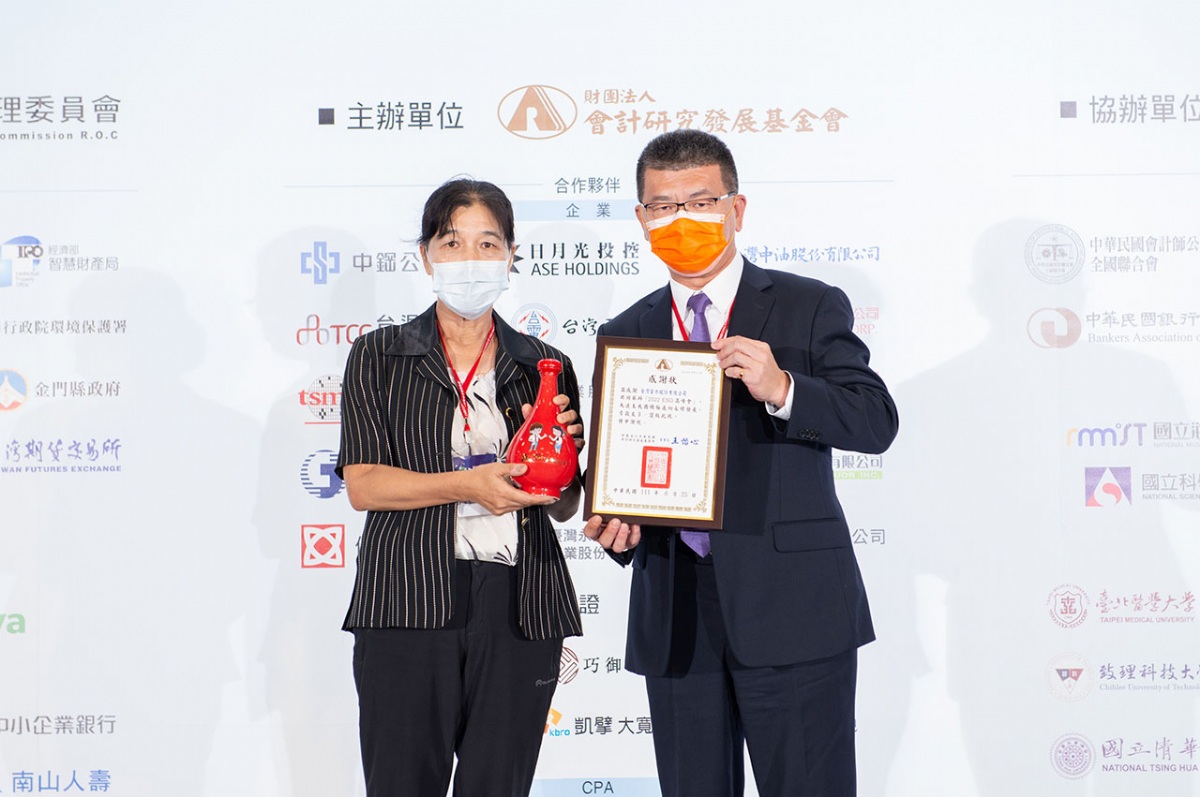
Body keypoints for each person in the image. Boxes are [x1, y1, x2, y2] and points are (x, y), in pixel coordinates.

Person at [583, 130, 899, 797]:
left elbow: (875, 420)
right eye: (664, 207)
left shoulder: (808, 303)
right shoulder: (626, 330)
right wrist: (618, 528)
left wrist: (783, 387)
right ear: (641, 219)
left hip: (793, 606)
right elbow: (625, 471)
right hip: (676, 615)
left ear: (737, 208)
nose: (682, 219)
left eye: (701, 202)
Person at [338, 178, 585, 796]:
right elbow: (365, 485)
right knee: (401, 782)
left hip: (520, 604)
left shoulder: (545, 364)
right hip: (407, 596)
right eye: (452, 243)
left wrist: (564, 462)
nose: (471, 259)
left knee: (499, 785)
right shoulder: (379, 355)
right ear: (426, 256)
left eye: (488, 243)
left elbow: (564, 507)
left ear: (511, 256)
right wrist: (468, 485)